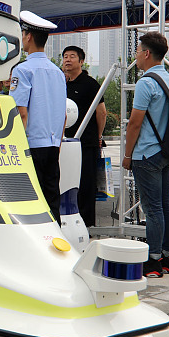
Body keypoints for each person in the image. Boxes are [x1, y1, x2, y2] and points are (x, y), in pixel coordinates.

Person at [122, 32, 169, 278]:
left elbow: (135, 123)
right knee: (167, 206)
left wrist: (127, 154)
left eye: (137, 51)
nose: (136, 56)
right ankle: (168, 258)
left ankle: (153, 261)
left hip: (146, 153)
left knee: (152, 209)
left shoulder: (146, 82)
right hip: (166, 152)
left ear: (146, 53)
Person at [10, 11, 67, 223]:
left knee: (30, 202)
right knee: (52, 199)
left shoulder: (22, 70)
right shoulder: (57, 72)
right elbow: (62, 115)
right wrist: (57, 144)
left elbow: (21, 112)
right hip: (52, 145)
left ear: (28, 36)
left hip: (30, 145)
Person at [61, 45, 106, 228]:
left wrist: (98, 136)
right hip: (65, 143)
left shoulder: (90, 84)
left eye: (72, 56)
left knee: (86, 185)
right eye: (65, 56)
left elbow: (101, 112)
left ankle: (87, 225)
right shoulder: (63, 84)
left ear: (81, 61)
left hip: (86, 143)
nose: (67, 60)